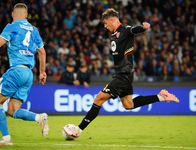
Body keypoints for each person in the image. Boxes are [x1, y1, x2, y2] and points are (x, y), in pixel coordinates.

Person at [65, 8, 179, 139]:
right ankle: (161, 97)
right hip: (124, 74)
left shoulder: (124, 30)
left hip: (123, 75)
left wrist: (143, 27)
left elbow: (133, 29)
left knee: (98, 99)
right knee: (128, 105)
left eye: (106, 23)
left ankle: (78, 130)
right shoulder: (114, 35)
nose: (105, 26)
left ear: (113, 20)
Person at [0, 3, 49, 145]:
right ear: (26, 16)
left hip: (16, 70)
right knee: (12, 109)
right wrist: (41, 72)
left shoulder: (12, 26)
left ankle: (7, 138)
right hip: (28, 74)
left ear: (13, 15)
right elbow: (42, 52)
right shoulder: (34, 30)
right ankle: (39, 118)